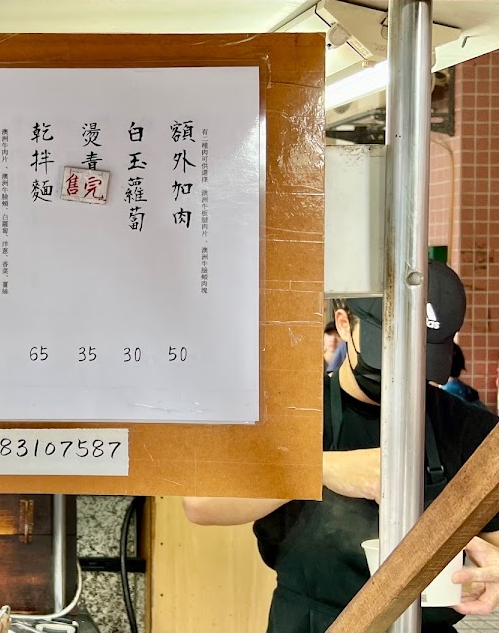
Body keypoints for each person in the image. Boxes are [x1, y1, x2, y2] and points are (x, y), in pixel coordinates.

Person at [183, 260, 499, 633]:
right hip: (309, 624)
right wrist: (321, 469)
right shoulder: (292, 412)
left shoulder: (471, 429)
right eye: (387, 356)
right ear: (345, 324)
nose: (400, 376)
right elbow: (201, 502)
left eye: (420, 362)